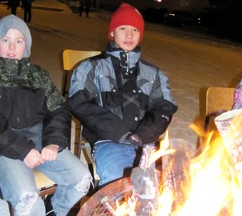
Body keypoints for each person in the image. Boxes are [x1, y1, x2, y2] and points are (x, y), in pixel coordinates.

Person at [0, 15, 92, 216]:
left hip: (41, 143)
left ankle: (55, 210)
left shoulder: (39, 75)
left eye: (18, 41)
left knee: (81, 179)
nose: (11, 47)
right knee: (27, 196)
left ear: (25, 46)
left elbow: (58, 108)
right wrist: (23, 150)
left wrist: (53, 142)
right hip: (3, 148)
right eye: (5, 40)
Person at [68, 3, 178, 187]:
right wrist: (121, 133)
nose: (129, 34)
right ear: (112, 33)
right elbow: (80, 104)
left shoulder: (153, 73)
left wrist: (142, 135)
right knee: (118, 188)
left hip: (146, 145)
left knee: (165, 188)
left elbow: (164, 108)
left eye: (135, 29)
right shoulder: (90, 68)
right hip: (108, 142)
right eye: (123, 28)